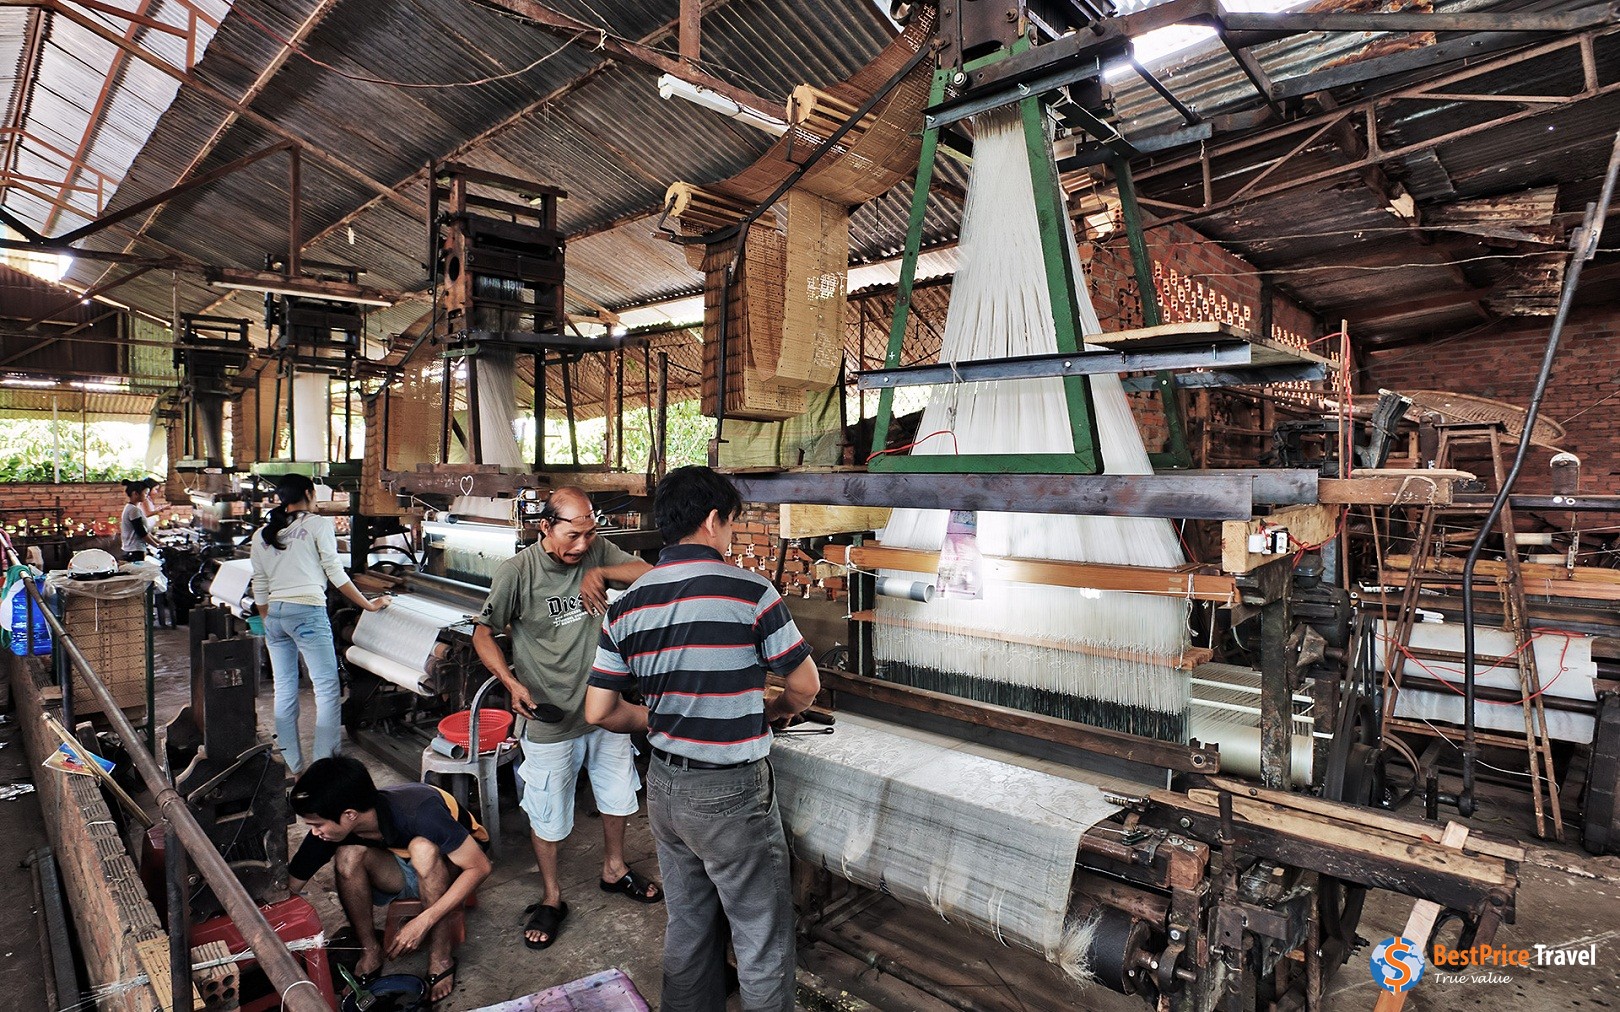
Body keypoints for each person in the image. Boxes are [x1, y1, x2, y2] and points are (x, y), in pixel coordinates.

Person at [585, 466, 820, 1012]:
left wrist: (665, 718)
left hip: (666, 787)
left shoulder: (627, 605)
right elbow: (806, 685)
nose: (730, 535)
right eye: (731, 523)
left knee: (689, 922)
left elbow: (600, 710)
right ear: (713, 519)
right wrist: (774, 711)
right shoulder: (750, 592)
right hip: (731, 793)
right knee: (760, 936)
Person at [471, 486, 660, 952]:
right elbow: (483, 633)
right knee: (548, 810)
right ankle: (552, 897)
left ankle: (614, 869)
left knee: (618, 794)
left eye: (589, 533)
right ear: (545, 527)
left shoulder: (595, 551)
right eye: (572, 535)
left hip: (605, 710)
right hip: (549, 716)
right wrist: (511, 682)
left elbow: (648, 572)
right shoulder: (518, 572)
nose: (581, 544)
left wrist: (601, 571)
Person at [288, 756, 490, 1003]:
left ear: (350, 814)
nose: (314, 831)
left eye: (317, 824)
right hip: (404, 866)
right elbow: (290, 886)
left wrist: (423, 921)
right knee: (348, 855)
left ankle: (441, 957)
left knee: (422, 848)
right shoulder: (330, 830)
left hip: (453, 864)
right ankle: (370, 951)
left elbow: (480, 867)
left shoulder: (421, 811)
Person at [250, 474, 388, 773]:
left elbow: (259, 583)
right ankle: (325, 764)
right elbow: (335, 573)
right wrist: (368, 604)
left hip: (274, 615)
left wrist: (269, 618)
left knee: (284, 688)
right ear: (309, 493)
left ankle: (293, 763)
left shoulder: (262, 534)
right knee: (326, 689)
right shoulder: (317, 525)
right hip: (307, 612)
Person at [119, 479, 162, 562]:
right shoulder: (134, 510)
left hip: (133, 549)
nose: (147, 496)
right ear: (135, 494)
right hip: (135, 550)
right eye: (145, 493)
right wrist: (157, 546)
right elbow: (141, 533)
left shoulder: (131, 508)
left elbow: (145, 531)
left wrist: (159, 542)